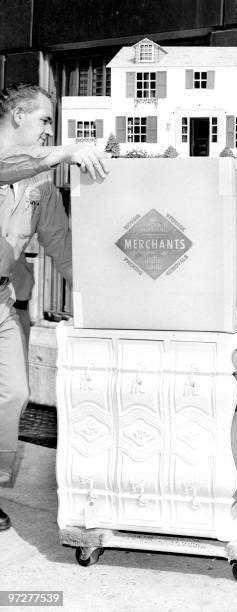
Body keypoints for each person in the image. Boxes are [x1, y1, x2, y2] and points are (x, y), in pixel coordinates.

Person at [0, 82, 109, 531]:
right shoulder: (26, 163)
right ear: (18, 116)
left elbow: (60, 245)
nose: (49, 130)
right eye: (45, 119)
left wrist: (101, 299)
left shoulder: (40, 181)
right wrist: (64, 152)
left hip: (2, 301)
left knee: (14, 394)